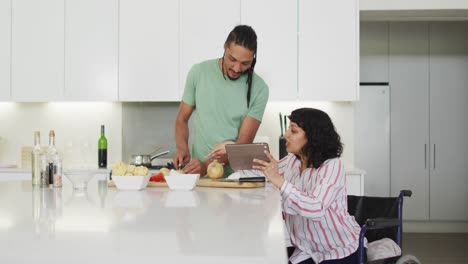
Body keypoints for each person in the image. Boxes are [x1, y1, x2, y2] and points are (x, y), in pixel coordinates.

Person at [253, 108, 364, 264]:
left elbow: (315, 207)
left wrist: (279, 180)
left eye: (294, 130)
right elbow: (267, 171)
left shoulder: (332, 166)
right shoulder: (293, 161)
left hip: (339, 250)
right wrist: (233, 154)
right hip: (307, 250)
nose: (287, 134)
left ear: (312, 137)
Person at [173, 25, 269, 177]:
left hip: (235, 178)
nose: (237, 69)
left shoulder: (260, 89)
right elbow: (181, 119)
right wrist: (182, 148)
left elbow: (241, 146)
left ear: (254, 58)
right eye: (232, 59)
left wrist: (206, 166)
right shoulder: (199, 73)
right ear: (225, 47)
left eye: (245, 63)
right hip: (197, 175)